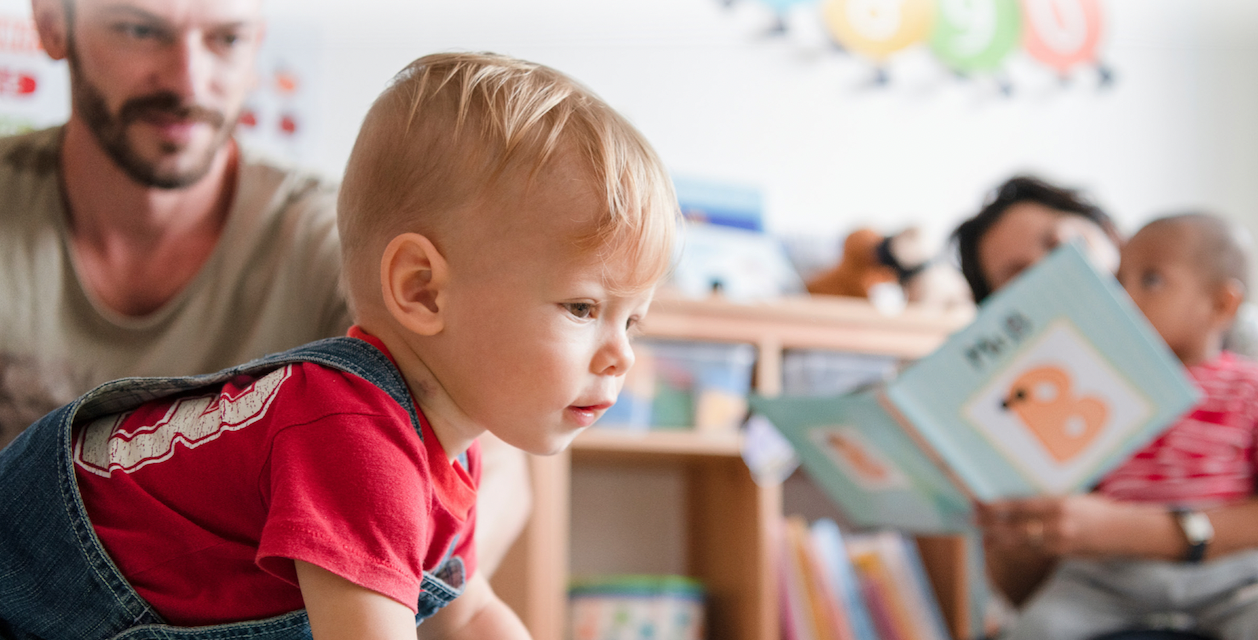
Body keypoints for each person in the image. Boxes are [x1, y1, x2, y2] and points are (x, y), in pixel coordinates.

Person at [0, 51, 679, 639]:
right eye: (584, 307)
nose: (620, 354)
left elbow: (468, 616)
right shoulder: (354, 440)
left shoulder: (448, 454)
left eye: (633, 321)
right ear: (422, 291)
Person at [0, 0, 527, 576]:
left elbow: (491, 465)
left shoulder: (339, 244)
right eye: (140, 30)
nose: (187, 81)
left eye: (226, 39)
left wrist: (415, 594)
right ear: (53, 25)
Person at [980, 213, 1258, 639]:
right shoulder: (1099, 386)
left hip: (1227, 575)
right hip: (1108, 574)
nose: (1125, 298)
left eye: (1150, 281)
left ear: (1221, 304)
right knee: (1034, 629)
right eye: (1119, 280)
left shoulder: (1247, 387)